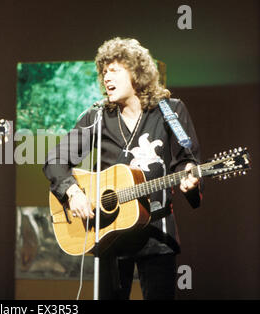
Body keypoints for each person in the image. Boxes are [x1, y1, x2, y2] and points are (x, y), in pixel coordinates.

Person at [43, 37, 202, 300]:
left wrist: (190, 178)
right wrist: (73, 191)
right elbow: (55, 160)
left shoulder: (170, 111)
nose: (106, 78)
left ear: (136, 72)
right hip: (110, 235)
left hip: (157, 235)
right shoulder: (97, 117)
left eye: (114, 70)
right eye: (104, 72)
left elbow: (188, 159)